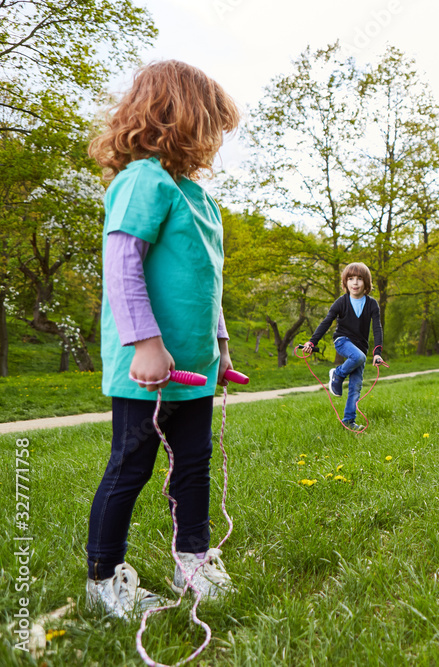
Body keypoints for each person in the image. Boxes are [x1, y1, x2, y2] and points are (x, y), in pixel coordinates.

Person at [86, 60, 240, 618]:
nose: (215, 141)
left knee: (194, 463)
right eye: (212, 126)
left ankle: (193, 558)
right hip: (145, 364)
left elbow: (207, 278)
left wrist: (220, 345)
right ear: (179, 117)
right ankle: (104, 578)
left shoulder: (197, 195)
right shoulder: (142, 181)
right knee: (131, 465)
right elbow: (122, 263)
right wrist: (145, 341)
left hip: (195, 365)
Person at [301, 262, 386, 429]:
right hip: (342, 341)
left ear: (366, 283)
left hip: (360, 347)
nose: (355, 283)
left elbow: (377, 328)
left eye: (359, 279)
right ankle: (337, 374)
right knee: (358, 357)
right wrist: (312, 342)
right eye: (351, 279)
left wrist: (377, 351)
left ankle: (348, 421)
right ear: (345, 283)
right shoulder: (341, 302)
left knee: (356, 386)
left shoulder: (372, 304)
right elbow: (326, 323)